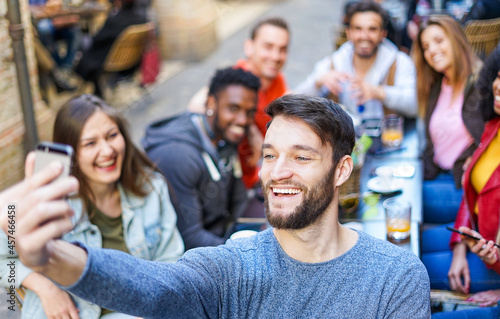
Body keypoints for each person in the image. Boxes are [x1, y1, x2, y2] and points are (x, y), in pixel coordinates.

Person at [0, 94, 431, 318]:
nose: (277, 171)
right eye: (268, 155)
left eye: (300, 157)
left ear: (341, 171)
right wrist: (45, 263)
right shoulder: (234, 266)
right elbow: (158, 284)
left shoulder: (396, 278)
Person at [0, 94, 184, 319]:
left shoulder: (152, 188)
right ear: (72, 152)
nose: (107, 151)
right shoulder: (50, 201)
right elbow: (4, 260)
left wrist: (148, 309)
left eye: (112, 135)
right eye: (90, 143)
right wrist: (45, 287)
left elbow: (171, 263)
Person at [142, 67, 261, 250]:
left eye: (249, 112)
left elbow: (239, 200)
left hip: (221, 234)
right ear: (211, 103)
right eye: (234, 108)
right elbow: (190, 238)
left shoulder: (224, 133)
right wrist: (244, 256)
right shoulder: (178, 156)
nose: (243, 120)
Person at [420, 46, 500, 310]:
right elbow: (471, 190)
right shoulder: (494, 126)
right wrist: (460, 247)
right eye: (498, 75)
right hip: (476, 239)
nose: (498, 85)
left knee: (410, 270)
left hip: (493, 264)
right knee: (407, 250)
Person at [412, 15, 484, 224]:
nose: (432, 50)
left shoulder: (482, 85)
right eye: (426, 46)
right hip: (439, 175)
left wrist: (477, 157)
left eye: (439, 41)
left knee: (405, 205)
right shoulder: (438, 85)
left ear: (456, 39)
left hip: (463, 186)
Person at [295, 1, 417, 120]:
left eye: (372, 29)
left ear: (383, 34)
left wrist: (380, 93)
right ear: (349, 32)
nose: (364, 36)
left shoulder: (400, 62)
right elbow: (296, 100)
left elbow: (416, 106)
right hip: (345, 138)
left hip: (388, 137)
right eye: (358, 29)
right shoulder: (334, 62)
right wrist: (318, 82)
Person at [75, 0, 147, 97]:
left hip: (111, 61)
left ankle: (97, 90)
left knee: (84, 45)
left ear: (119, 3)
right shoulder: (141, 19)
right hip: (131, 61)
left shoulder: (114, 21)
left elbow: (97, 39)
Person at [29, 0, 81, 69]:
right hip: (42, 20)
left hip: (58, 19)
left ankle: (66, 66)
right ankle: (56, 65)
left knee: (75, 30)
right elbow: (29, 9)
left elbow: (66, 6)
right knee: (44, 28)